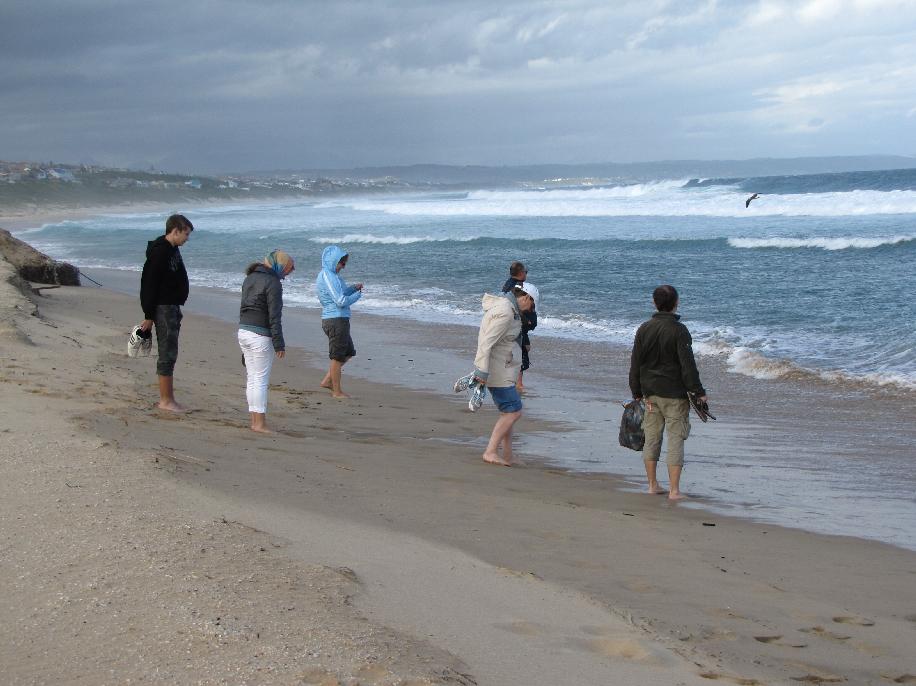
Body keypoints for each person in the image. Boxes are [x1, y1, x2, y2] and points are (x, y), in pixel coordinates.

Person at [628, 285, 707, 500]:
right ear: (676, 303)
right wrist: (698, 391)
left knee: (652, 438)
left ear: (654, 303)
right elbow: (688, 366)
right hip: (675, 395)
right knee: (675, 439)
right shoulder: (679, 330)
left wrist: (636, 392)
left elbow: (635, 363)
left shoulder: (644, 328)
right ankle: (674, 490)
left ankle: (652, 485)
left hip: (650, 393)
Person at [472, 282, 538, 466]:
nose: (531, 310)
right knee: (513, 411)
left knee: (508, 412)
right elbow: (486, 342)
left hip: (502, 370)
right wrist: (481, 372)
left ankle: (508, 455)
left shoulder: (508, 308)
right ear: (526, 297)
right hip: (496, 371)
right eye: (532, 306)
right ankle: (490, 452)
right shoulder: (506, 311)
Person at [139, 214, 193, 412]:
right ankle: (166, 401)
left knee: (170, 352)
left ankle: (168, 399)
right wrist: (148, 316)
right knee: (167, 352)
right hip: (163, 308)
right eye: (186, 234)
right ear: (175, 231)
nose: (187, 238)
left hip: (171, 306)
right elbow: (148, 284)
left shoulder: (172, 249)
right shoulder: (160, 252)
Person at [238, 250, 295, 433]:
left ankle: (255, 421)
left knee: (252, 379)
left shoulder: (250, 278)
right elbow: (274, 316)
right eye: (289, 267)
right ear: (280, 265)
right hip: (260, 335)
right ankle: (259, 424)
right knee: (260, 380)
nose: (291, 271)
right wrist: (279, 343)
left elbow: (244, 307)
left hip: (244, 331)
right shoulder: (273, 283)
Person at [316, 245, 363, 398]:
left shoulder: (334, 276)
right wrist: (357, 296)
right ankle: (336, 392)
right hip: (335, 319)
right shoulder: (327, 275)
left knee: (348, 352)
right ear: (333, 261)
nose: (343, 266)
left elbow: (341, 293)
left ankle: (327, 381)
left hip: (340, 319)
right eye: (342, 263)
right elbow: (340, 301)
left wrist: (353, 289)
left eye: (344, 263)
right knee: (337, 357)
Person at [501, 261, 538, 392]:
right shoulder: (516, 288)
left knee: (521, 350)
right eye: (525, 272)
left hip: (514, 326)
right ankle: (518, 384)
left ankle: (515, 381)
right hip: (517, 326)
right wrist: (527, 322)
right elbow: (517, 309)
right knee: (520, 353)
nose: (526, 274)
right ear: (521, 273)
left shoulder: (507, 284)